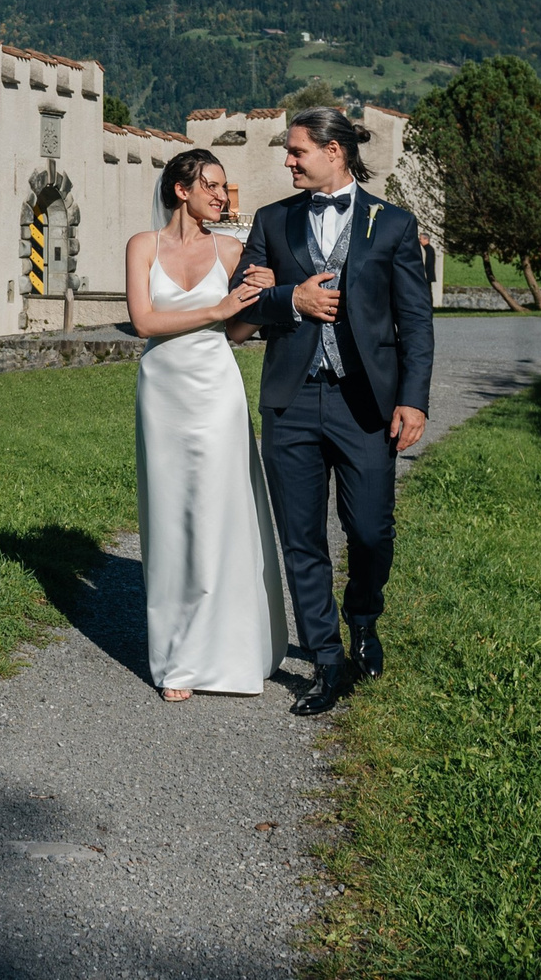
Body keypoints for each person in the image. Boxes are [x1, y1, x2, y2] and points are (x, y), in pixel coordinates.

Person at [234, 107, 435, 717]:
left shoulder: (394, 225)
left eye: (297, 151)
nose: (287, 161)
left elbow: (415, 323)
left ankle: (364, 619)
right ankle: (326, 661)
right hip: (291, 401)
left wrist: (413, 398)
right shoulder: (273, 220)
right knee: (302, 539)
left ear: (335, 152)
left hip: (364, 403)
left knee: (371, 530)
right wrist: (287, 298)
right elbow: (243, 304)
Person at [125, 148, 285, 701]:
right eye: (213, 186)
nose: (223, 196)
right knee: (171, 517)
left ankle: (232, 652)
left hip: (216, 390)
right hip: (162, 393)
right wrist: (217, 310)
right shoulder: (142, 246)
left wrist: (257, 299)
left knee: (222, 512)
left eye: (224, 187)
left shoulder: (233, 249)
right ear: (181, 190)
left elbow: (238, 334)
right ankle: (177, 661)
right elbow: (144, 320)